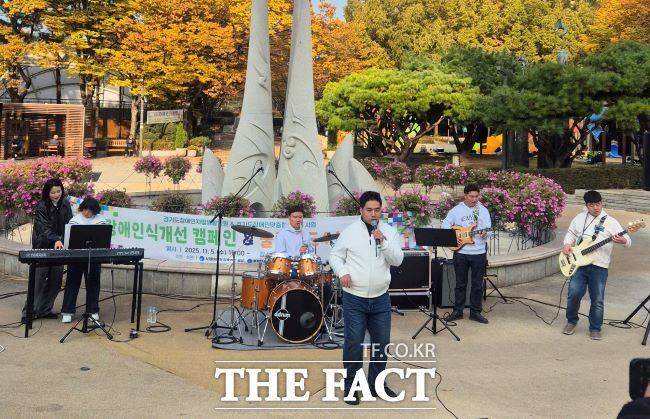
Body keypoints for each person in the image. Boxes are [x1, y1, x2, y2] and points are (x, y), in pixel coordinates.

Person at [329, 191, 404, 405]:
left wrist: (384, 242)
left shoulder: (388, 231)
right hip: (355, 297)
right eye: (369, 210)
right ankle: (351, 387)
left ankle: (376, 385)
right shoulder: (350, 232)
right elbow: (335, 255)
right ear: (360, 210)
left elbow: (398, 260)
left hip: (381, 298)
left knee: (382, 343)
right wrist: (342, 272)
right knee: (354, 343)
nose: (373, 214)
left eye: (377, 210)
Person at [562, 190, 631, 340]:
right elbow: (571, 233)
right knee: (574, 294)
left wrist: (624, 241)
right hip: (578, 264)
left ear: (601, 203)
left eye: (598, 204)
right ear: (586, 205)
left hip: (600, 266)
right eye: (592, 205)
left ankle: (595, 328)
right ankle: (571, 321)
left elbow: (628, 241)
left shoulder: (611, 222)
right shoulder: (579, 218)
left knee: (597, 299)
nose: (596, 208)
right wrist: (567, 244)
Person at [21, 178, 73, 322]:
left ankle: (45, 310)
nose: (56, 195)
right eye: (53, 192)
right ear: (47, 193)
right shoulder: (42, 206)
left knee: (55, 283)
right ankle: (28, 313)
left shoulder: (66, 204)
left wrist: (66, 239)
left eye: (58, 191)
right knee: (37, 283)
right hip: (42, 246)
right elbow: (43, 228)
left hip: (59, 248)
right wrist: (56, 239)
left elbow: (70, 223)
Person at [441, 184, 491, 324]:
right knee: (460, 284)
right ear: (465, 195)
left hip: (479, 252)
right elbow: (445, 226)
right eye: (471, 196)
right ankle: (458, 311)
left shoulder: (483, 211)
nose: (474, 199)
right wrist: (454, 236)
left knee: (477, 285)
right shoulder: (456, 210)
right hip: (461, 252)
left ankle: (475, 312)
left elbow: (489, 231)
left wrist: (485, 233)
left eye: (476, 196)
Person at [61, 197, 107, 323]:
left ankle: (93, 310)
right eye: (85, 209)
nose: (87, 213)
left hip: (94, 257)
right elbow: (68, 240)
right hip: (76, 257)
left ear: (95, 211)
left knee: (93, 283)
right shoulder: (74, 220)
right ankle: (67, 311)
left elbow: (103, 240)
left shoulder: (101, 221)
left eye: (90, 210)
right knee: (72, 283)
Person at [273, 205, 314, 278]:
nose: (298, 220)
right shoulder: (283, 234)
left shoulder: (305, 232)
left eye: (300, 217)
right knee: (296, 275)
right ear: (289, 218)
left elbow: (311, 252)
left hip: (305, 267)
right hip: (290, 268)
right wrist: (298, 253)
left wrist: (306, 250)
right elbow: (280, 255)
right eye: (295, 217)